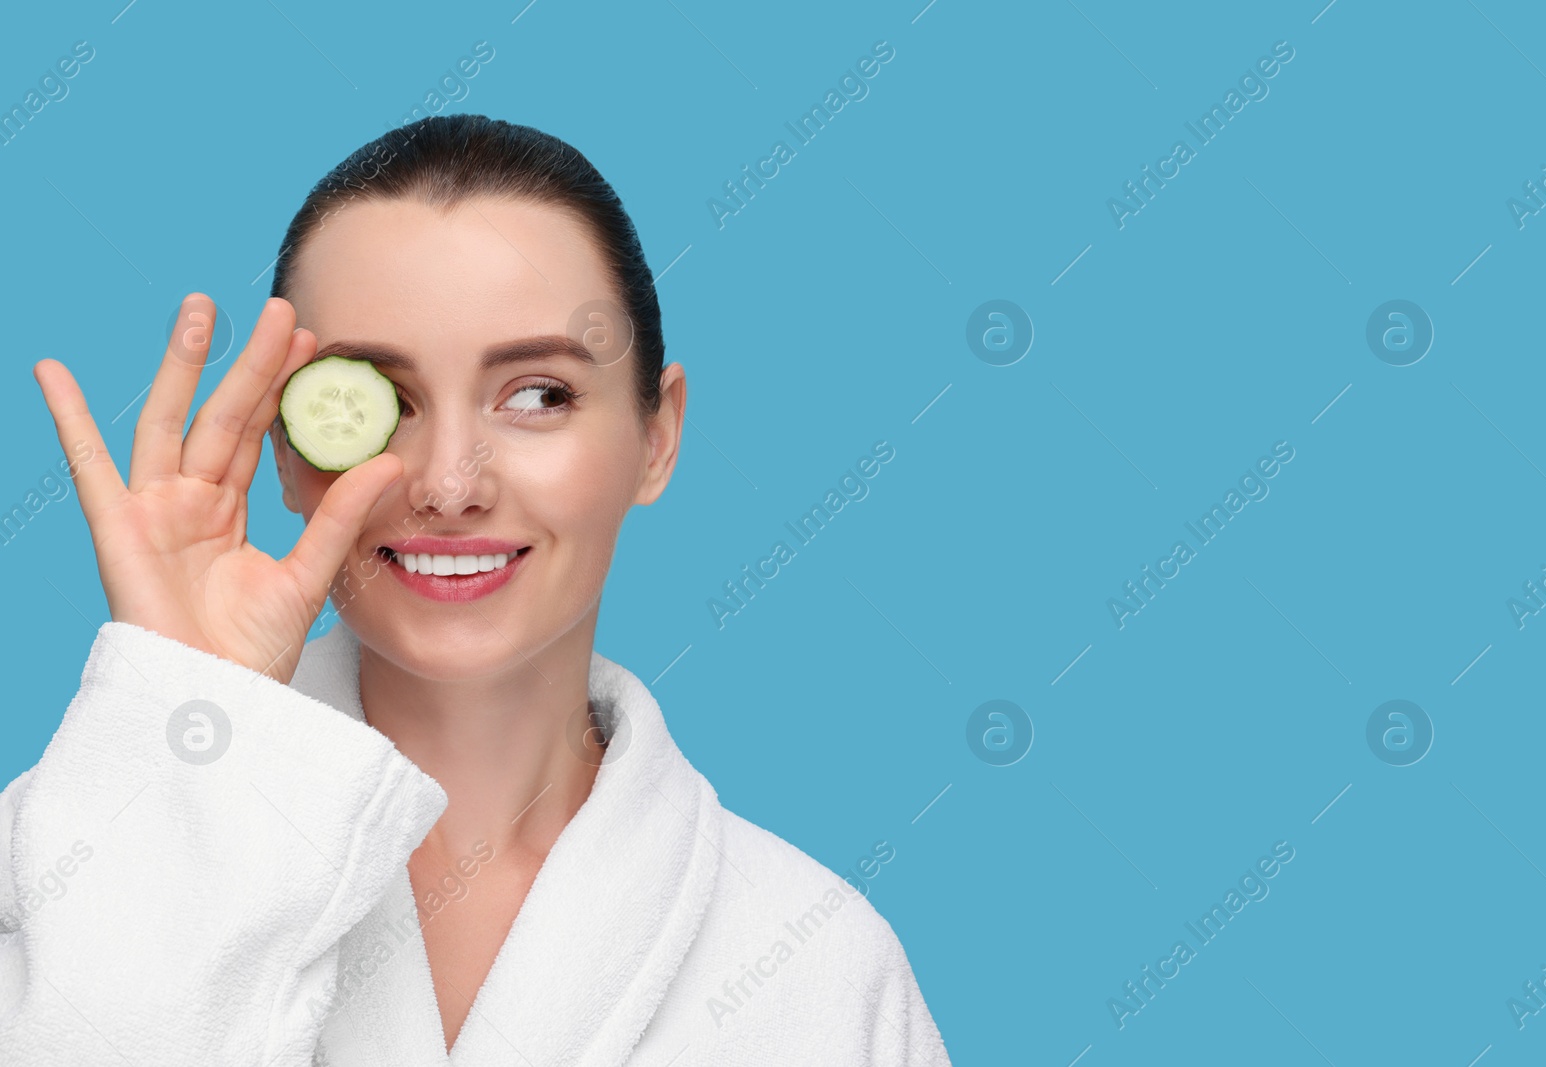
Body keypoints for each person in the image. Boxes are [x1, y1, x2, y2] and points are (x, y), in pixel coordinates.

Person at [0, 114, 951, 1066]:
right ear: (285, 449)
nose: (450, 483)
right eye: (378, 397)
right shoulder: (46, 872)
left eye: (538, 394)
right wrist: (192, 730)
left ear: (656, 437)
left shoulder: (816, 963)